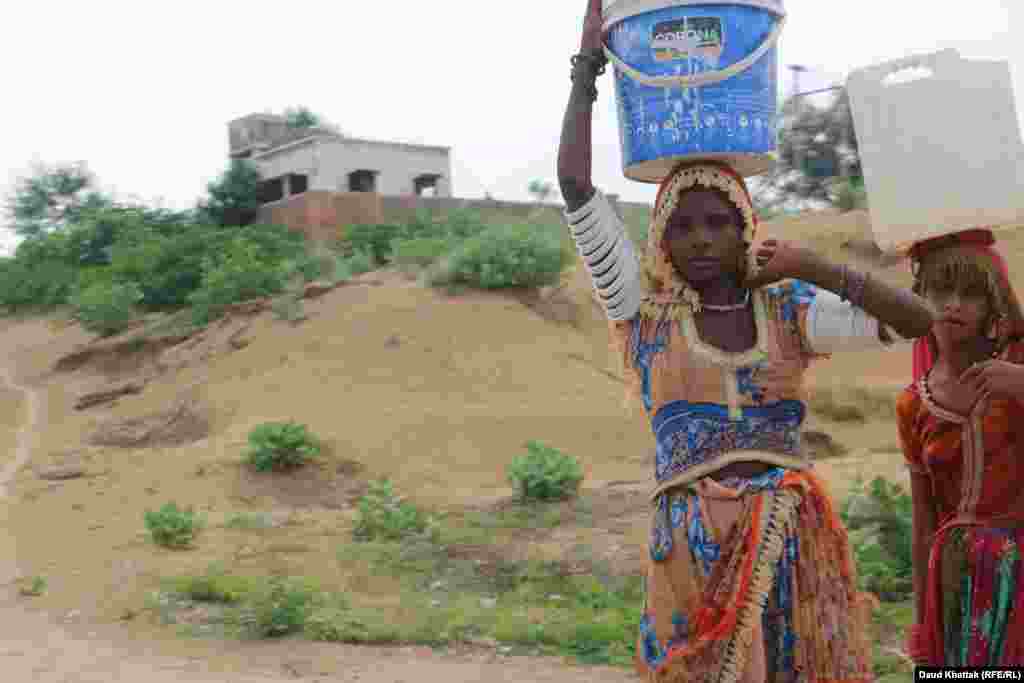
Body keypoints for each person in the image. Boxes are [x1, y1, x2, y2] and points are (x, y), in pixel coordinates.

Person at [558, 2, 936, 681]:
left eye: (718, 221)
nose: (701, 237)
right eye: (684, 224)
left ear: (745, 229)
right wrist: (588, 69)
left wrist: (814, 266)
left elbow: (916, 320)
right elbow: (577, 188)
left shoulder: (787, 307)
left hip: (788, 539)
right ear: (663, 238)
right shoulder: (644, 312)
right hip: (689, 545)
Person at [898, 229, 1024, 666]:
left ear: (994, 307)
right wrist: (920, 622)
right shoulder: (914, 403)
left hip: (1018, 569)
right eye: (939, 290)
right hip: (951, 577)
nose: (952, 303)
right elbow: (923, 523)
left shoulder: (1017, 371)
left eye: (970, 294)